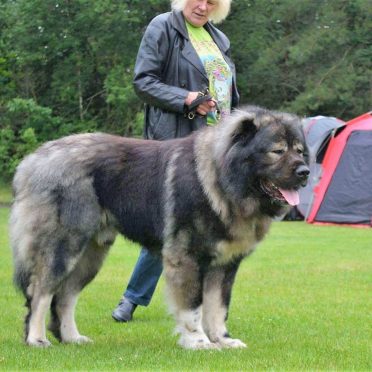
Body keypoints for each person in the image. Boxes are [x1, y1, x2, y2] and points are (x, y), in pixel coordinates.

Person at [112, 0, 239, 322]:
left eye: (212, 1)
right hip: (178, 143)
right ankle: (132, 298)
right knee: (174, 223)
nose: (203, 5)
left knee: (216, 227)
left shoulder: (218, 39)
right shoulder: (163, 27)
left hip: (217, 147)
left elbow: (228, 96)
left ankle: (210, 308)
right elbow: (144, 82)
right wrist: (186, 99)